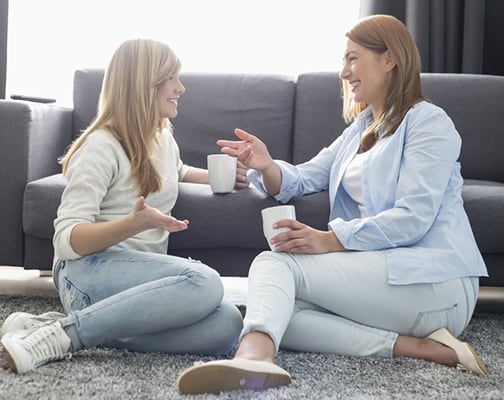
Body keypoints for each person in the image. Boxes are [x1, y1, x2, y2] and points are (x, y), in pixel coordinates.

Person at [177, 14, 489, 395]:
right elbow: (304, 178)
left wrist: (329, 240)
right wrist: (266, 164)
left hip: (433, 279)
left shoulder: (428, 123)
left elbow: (413, 219)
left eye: (353, 58)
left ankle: (254, 358)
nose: (344, 72)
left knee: (273, 264)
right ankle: (422, 349)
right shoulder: (361, 130)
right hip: (384, 277)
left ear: (389, 59)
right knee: (276, 306)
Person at [0, 38, 245, 374]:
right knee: (205, 282)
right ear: (145, 83)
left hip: (135, 284)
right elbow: (67, 240)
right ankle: (66, 336)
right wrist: (131, 225)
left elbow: (178, 171)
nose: (181, 88)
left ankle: (51, 325)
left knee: (228, 324)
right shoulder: (101, 146)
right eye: (171, 78)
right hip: (85, 273)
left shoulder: (161, 137)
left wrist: (228, 176)